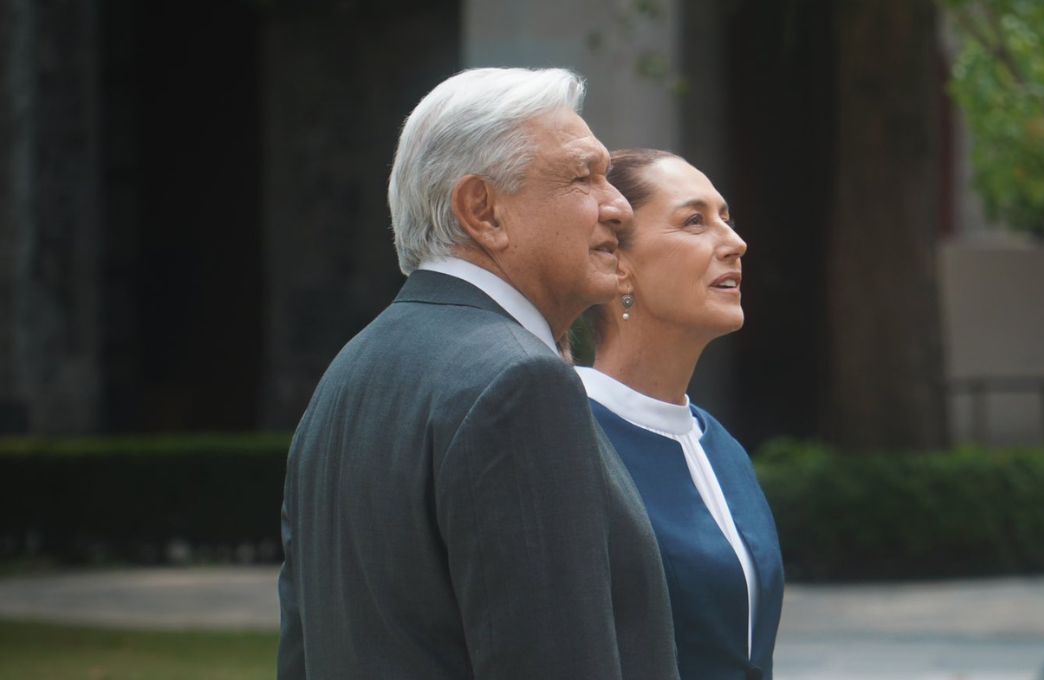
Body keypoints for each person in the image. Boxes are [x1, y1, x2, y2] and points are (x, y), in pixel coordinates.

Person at [277, 70, 680, 680]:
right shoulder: (520, 384)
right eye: (582, 176)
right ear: (483, 211)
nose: (618, 207)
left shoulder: (347, 373)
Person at [577, 149, 785, 680]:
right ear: (617, 261)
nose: (735, 243)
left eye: (726, 219)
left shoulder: (721, 447)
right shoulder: (568, 439)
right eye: (695, 221)